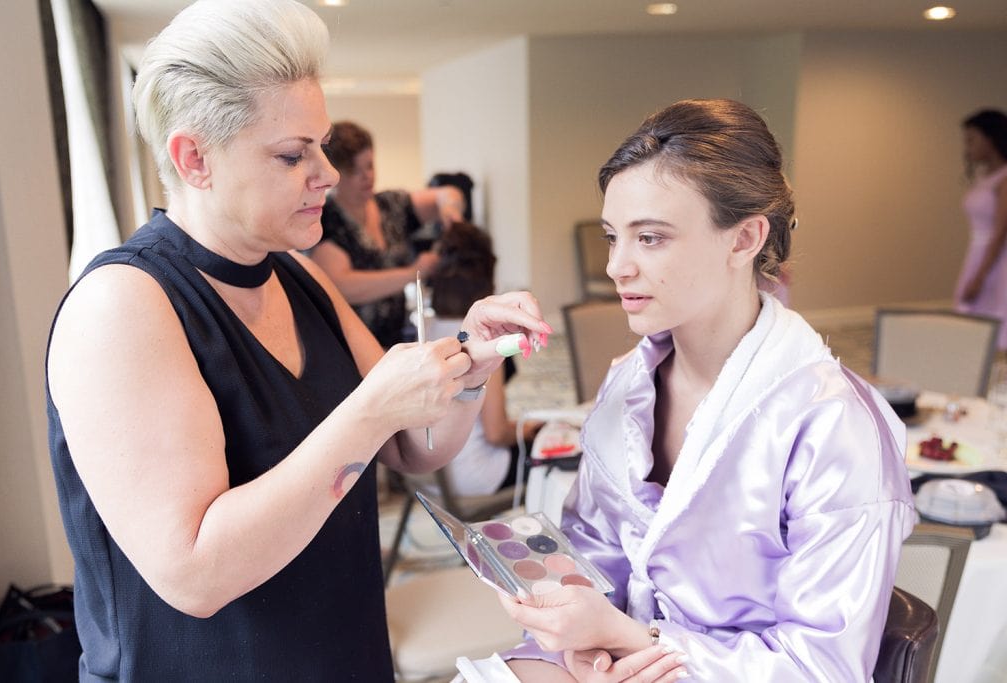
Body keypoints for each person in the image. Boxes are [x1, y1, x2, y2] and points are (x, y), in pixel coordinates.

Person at [43, 1, 551, 679]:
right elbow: (194, 572)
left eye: (323, 145)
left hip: (342, 651)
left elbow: (414, 446)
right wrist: (371, 408)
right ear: (194, 157)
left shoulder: (300, 274)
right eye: (293, 153)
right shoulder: (123, 307)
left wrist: (470, 366)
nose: (329, 174)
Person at [496, 99, 915, 682]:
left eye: (650, 238)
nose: (617, 265)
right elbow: (591, 558)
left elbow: (822, 669)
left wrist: (630, 638)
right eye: (613, 237)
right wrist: (567, 641)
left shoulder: (832, 425)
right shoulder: (626, 381)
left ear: (744, 239)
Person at [308, 120, 465, 348]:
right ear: (335, 172)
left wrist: (449, 208)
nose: (367, 177)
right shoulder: (327, 219)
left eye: (370, 166)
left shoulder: (391, 206)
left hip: (393, 341)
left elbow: (448, 193)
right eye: (355, 171)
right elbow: (340, 285)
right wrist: (412, 273)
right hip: (348, 347)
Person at [426, 221, 543, 497]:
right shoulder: (483, 343)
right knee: (560, 456)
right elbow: (496, 433)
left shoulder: (428, 332)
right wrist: (533, 429)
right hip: (476, 475)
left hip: (430, 474)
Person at [954, 108, 1007, 351]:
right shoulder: (986, 176)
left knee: (995, 319)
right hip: (977, 253)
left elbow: (1000, 231)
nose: (968, 148)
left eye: (972, 140)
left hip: (996, 259)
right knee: (973, 320)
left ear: (991, 138)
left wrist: (980, 275)